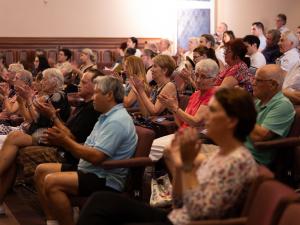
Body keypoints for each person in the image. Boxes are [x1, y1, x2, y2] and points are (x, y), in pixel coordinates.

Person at [76, 88, 258, 225]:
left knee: (102, 208)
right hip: (176, 217)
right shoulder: (221, 154)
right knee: (101, 199)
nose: (206, 117)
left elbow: (198, 212)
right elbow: (180, 201)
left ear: (232, 121)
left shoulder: (237, 161)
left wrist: (183, 164)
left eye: (214, 111)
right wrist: (181, 163)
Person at [34, 76, 137, 225]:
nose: (93, 98)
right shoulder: (106, 117)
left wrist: (65, 142)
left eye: (96, 93)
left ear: (109, 95)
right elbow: (87, 146)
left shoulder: (117, 121)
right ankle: (53, 221)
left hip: (105, 178)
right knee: (41, 171)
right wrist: (64, 139)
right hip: (91, 169)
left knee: (52, 181)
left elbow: (96, 157)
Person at [0, 68, 70, 215]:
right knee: (13, 154)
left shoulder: (58, 96)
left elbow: (38, 120)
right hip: (37, 132)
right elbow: (32, 120)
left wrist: (28, 99)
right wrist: (24, 99)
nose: (41, 82)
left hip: (49, 135)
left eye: (44, 79)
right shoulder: (48, 96)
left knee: (15, 137)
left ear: (55, 81)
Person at [149, 59, 219, 161]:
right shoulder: (195, 94)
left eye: (203, 77)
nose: (198, 80)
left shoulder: (214, 95)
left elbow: (196, 122)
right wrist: (173, 108)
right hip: (183, 134)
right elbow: (181, 123)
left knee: (153, 148)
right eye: (197, 75)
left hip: (198, 138)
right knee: (152, 146)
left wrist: (175, 108)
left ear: (214, 79)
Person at [245, 64, 295, 166]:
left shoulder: (283, 105)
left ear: (273, 85)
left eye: (258, 80)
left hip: (252, 160)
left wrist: (240, 114)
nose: (252, 83)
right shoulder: (259, 101)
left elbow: (258, 137)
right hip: (236, 151)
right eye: (253, 79)